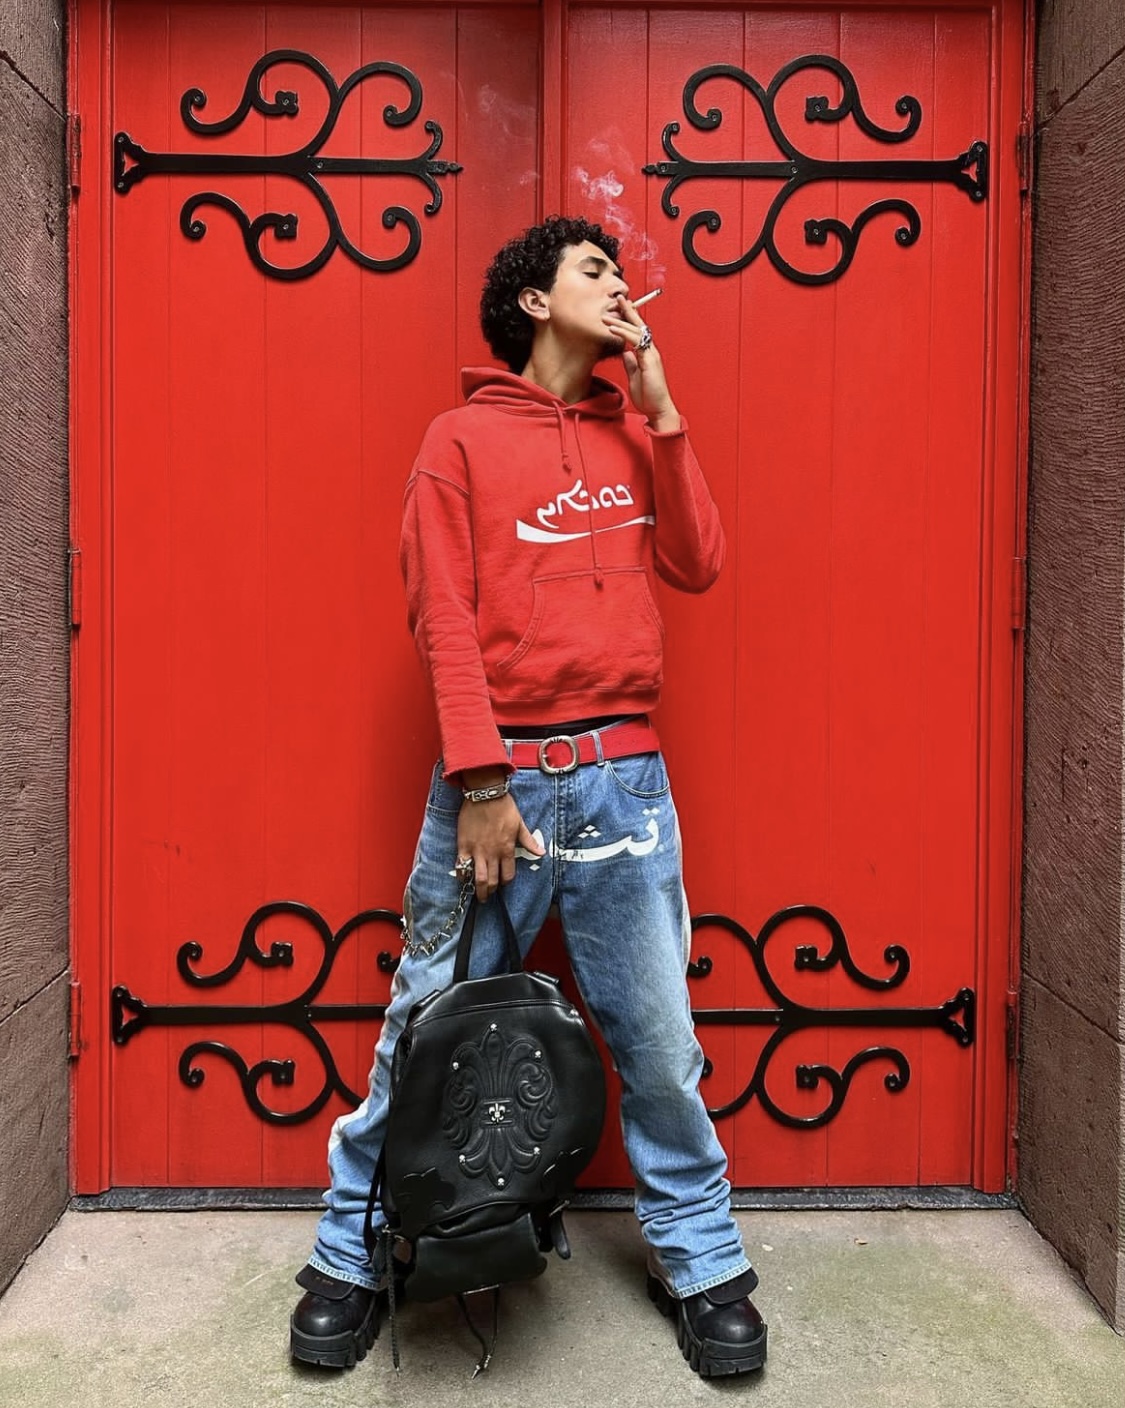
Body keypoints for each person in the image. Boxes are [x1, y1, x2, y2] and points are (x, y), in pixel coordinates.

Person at [289, 215, 767, 1379]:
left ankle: (699, 1259)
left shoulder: (634, 432)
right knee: (421, 1025)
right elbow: (443, 618)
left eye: (620, 271)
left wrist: (662, 409)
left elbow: (700, 559)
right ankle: (350, 1253)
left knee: (659, 1038)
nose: (620, 285)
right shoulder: (457, 440)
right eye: (594, 270)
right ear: (535, 302)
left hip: (624, 786)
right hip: (496, 785)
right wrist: (482, 779)